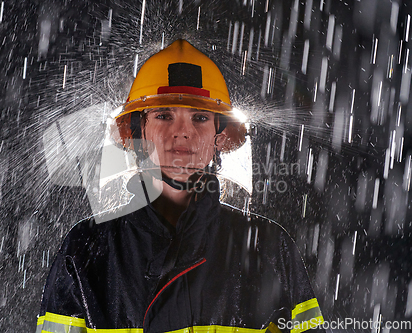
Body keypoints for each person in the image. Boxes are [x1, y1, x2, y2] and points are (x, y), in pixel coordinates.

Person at [36, 39, 324, 333]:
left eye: (200, 118)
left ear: (219, 138)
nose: (183, 132)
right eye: (164, 115)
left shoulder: (268, 246)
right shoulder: (86, 249)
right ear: (137, 130)